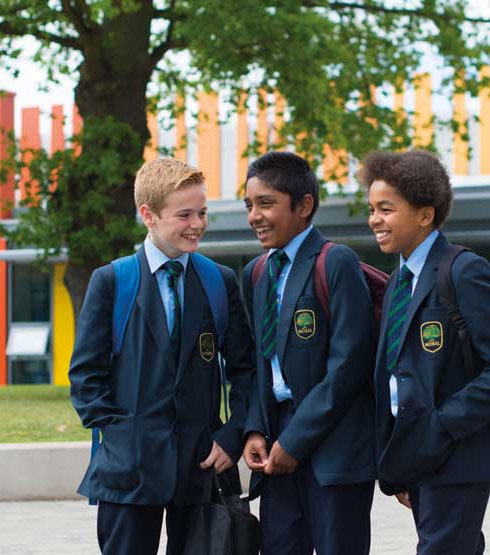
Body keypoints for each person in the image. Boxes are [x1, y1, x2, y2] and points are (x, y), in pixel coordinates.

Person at [69, 157, 254, 555]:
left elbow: (244, 370)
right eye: (184, 214)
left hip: (201, 468)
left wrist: (231, 436)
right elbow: (85, 378)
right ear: (148, 215)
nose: (197, 224)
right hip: (129, 472)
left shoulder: (219, 282)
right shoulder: (112, 282)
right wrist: (121, 438)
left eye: (202, 213)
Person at [240, 151, 376, 555]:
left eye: (266, 203)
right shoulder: (257, 272)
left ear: (304, 206)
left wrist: (295, 442)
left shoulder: (335, 262)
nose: (254, 216)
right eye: (249, 205)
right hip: (277, 444)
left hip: (333, 449)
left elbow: (348, 367)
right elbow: (259, 364)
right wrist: (254, 428)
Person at [362, 150, 490, 555]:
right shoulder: (402, 278)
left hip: (455, 455)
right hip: (417, 454)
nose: (374, 220)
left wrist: (442, 424)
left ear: (424, 214)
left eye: (386, 209)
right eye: (371, 209)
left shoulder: (463, 270)